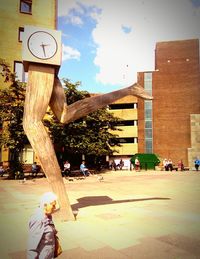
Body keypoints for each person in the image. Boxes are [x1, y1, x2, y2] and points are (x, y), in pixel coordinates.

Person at [27, 192, 60, 259]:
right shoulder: (38, 220)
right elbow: (32, 247)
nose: (55, 207)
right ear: (45, 205)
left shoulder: (48, 215)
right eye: (53, 205)